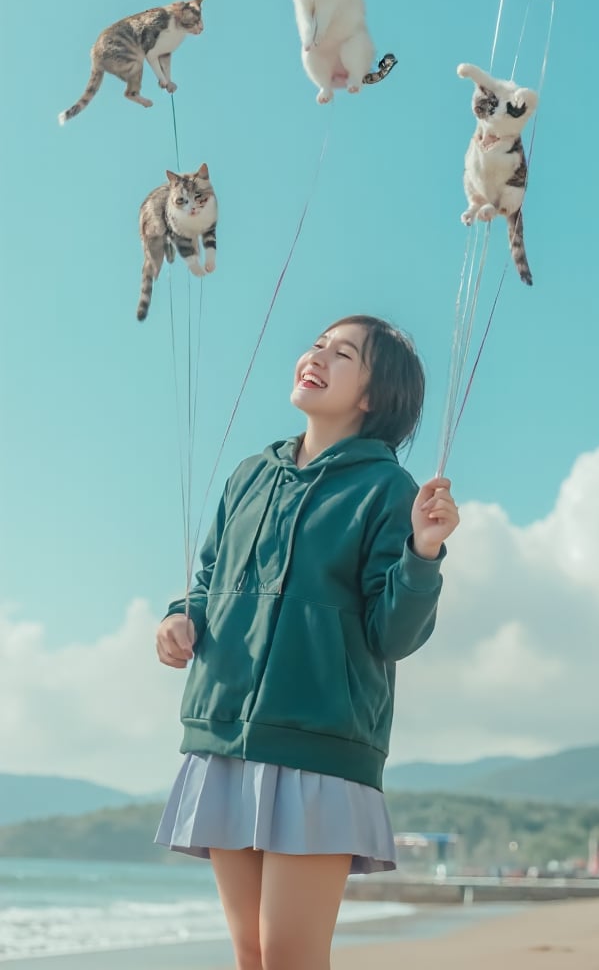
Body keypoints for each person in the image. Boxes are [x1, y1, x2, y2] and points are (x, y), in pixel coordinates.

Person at [154, 315, 460, 970]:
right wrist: (180, 619)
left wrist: (424, 551)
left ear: (374, 397)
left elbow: (393, 633)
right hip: (224, 736)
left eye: (342, 353)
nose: (316, 355)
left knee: (292, 955)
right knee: (253, 953)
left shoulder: (386, 490)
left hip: (319, 747)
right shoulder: (249, 476)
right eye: (318, 343)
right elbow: (207, 581)